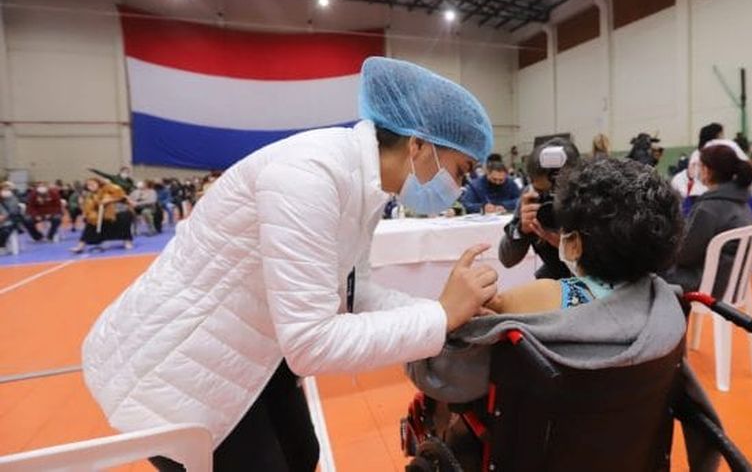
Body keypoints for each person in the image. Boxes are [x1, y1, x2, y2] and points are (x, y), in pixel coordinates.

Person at [81, 57, 500, 472]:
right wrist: (440, 315)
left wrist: (446, 312)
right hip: (175, 367)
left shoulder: (364, 186)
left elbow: (355, 292)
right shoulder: (311, 175)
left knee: (302, 453)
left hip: (248, 351)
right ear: (419, 145)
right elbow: (312, 343)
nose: (459, 187)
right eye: (460, 171)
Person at [407, 157, 685, 423]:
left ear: (574, 244)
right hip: (627, 442)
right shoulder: (668, 302)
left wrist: (449, 309)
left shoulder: (544, 297)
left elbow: (447, 370)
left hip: (539, 439)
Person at [664, 144, 752, 295]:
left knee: (648, 275)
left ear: (707, 170)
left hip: (707, 284)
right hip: (734, 282)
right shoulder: (743, 204)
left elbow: (685, 255)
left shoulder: (708, 208)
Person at [499, 138, 580, 280]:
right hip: (554, 275)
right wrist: (521, 230)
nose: (551, 202)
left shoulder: (593, 198)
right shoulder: (530, 197)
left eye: (559, 193)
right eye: (544, 194)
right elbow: (507, 260)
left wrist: (568, 247)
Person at [70, 178, 134, 253]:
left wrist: (110, 199)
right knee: (90, 224)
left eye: (93, 184)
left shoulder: (108, 189)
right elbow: (89, 209)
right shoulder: (90, 196)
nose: (91, 186)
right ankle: (80, 246)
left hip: (120, 211)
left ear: (98, 183)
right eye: (89, 185)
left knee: (124, 218)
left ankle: (127, 241)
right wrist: (93, 217)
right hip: (102, 215)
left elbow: (121, 194)